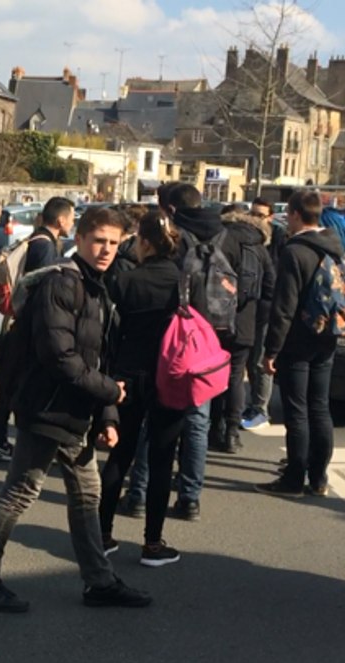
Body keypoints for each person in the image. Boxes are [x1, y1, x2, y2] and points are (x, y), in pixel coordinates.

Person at [0, 206, 149, 613]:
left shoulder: (96, 285)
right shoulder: (63, 284)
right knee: (21, 491)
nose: (106, 250)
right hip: (46, 407)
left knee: (87, 494)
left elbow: (97, 356)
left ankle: (98, 581)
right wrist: (110, 394)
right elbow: (59, 355)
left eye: (114, 243)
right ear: (78, 238)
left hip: (73, 409)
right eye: (98, 240)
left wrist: (108, 413)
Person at [98, 210, 210, 567]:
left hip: (129, 374)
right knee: (163, 457)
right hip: (172, 376)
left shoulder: (126, 281)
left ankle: (102, 534)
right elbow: (201, 326)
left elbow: (110, 332)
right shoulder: (186, 281)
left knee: (121, 454)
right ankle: (153, 543)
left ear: (143, 242)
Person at [255, 190, 345, 497]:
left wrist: (272, 350)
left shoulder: (295, 252)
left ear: (294, 214)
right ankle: (318, 478)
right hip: (328, 335)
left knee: (297, 411)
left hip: (298, 339)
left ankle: (293, 479)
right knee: (320, 407)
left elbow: (284, 306)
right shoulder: (335, 246)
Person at [162, 182, 239, 518]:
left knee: (162, 417)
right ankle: (190, 497)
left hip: (177, 334)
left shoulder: (176, 239)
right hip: (213, 338)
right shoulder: (228, 236)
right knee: (198, 419)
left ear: (172, 209)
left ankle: (144, 492)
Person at [0, 196, 74, 462]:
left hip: (17, 323)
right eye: (71, 218)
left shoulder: (34, 239)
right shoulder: (45, 247)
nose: (72, 223)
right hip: (28, 326)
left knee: (10, 383)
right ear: (60, 220)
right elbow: (40, 286)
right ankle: (3, 440)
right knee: (18, 384)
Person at [210, 206, 275, 454]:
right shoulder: (259, 248)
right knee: (236, 377)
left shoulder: (221, 240)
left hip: (217, 319)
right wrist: (259, 319)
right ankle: (232, 433)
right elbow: (270, 287)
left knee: (215, 375)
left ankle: (215, 427)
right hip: (246, 321)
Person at [242, 198, 281, 429]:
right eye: (253, 213)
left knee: (260, 361)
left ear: (270, 217)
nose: (256, 219)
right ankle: (253, 404)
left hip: (268, 310)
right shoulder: (249, 238)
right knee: (250, 360)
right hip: (251, 308)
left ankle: (261, 409)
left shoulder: (278, 240)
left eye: (261, 215)